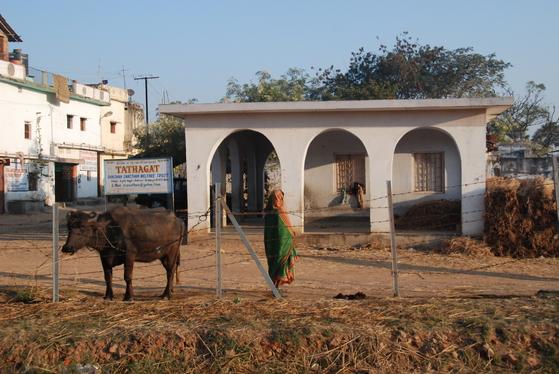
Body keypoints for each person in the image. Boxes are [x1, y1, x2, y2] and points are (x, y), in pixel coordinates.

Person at [264, 190, 298, 291]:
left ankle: (275, 285)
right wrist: (292, 234)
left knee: (275, 260)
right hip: (283, 241)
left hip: (272, 243)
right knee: (281, 260)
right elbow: (287, 229)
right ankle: (277, 285)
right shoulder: (280, 211)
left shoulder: (268, 211)